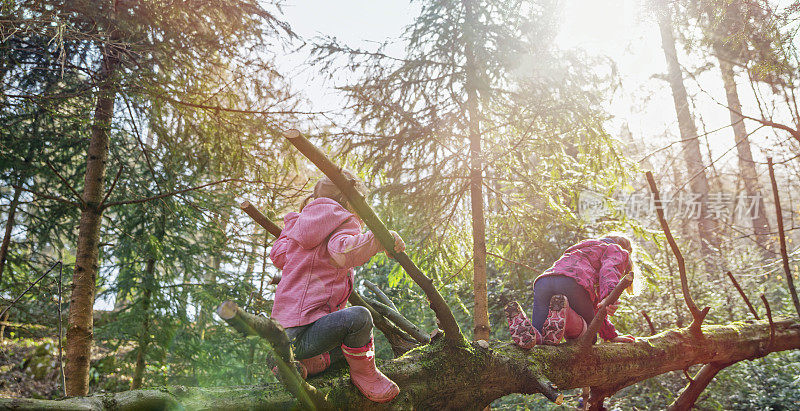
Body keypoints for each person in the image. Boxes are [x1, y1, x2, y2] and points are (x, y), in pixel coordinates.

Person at [269, 172, 405, 403]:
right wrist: (381, 238)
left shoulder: (297, 225)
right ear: (351, 200)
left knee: (346, 351)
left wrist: (291, 239)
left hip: (284, 334)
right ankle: (366, 375)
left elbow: (279, 255)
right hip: (306, 333)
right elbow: (342, 252)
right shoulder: (342, 219)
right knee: (359, 318)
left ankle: (297, 362)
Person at [505, 235, 637, 348]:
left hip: (544, 282)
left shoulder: (582, 247)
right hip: (573, 283)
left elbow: (596, 308)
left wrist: (611, 335)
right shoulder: (615, 249)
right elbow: (609, 270)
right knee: (589, 337)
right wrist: (609, 297)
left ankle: (529, 332)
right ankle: (564, 312)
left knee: (540, 340)